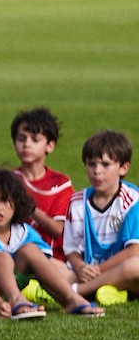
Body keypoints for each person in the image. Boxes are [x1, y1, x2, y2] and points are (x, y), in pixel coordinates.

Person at [0, 169, 103, 318]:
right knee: (2, 257)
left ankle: (71, 299)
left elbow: (42, 268)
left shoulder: (24, 231)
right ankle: (16, 300)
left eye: (5, 200)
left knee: (31, 250)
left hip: (1, 287)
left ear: (17, 203)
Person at [63, 129, 139, 305]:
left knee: (135, 266)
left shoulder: (133, 200)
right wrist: (81, 267)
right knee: (47, 264)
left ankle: (75, 291)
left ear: (123, 167)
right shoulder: (77, 202)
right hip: (87, 270)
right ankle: (110, 291)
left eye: (105, 165)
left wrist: (97, 270)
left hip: (117, 269)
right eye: (91, 164)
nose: (97, 171)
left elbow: (134, 251)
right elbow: (70, 248)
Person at [11, 107, 74, 262]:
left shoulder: (60, 184)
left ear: (50, 145)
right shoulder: (9, 180)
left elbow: (57, 229)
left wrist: (29, 208)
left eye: (35, 139)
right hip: (15, 256)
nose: (27, 144)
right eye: (21, 138)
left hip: (53, 258)